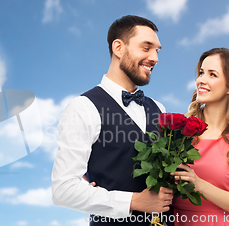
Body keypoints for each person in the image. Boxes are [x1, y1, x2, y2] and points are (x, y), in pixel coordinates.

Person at [51, 15, 174, 225]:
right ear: (118, 48)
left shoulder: (159, 108)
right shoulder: (83, 107)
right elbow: (63, 190)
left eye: (157, 50)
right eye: (146, 48)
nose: (155, 58)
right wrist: (133, 201)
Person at [171, 48, 229, 225]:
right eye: (201, 73)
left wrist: (200, 184)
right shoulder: (178, 130)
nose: (201, 80)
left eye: (212, 75)